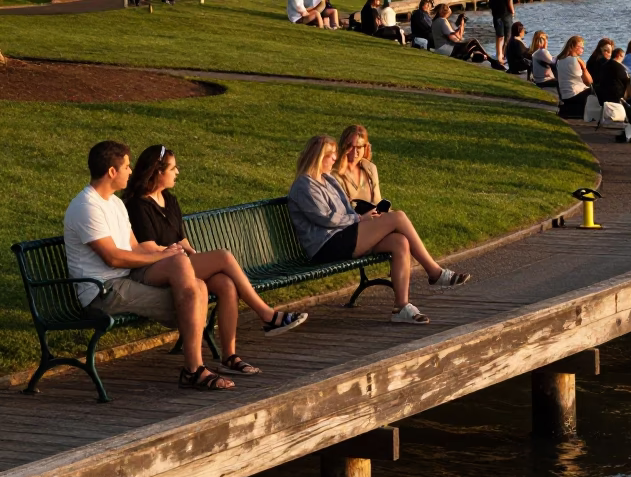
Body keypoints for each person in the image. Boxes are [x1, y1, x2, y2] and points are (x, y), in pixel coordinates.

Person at [62, 142, 303, 395]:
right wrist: (163, 256)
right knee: (192, 298)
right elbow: (114, 258)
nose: (130, 171)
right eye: (125, 166)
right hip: (103, 291)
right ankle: (194, 369)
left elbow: (133, 247)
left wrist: (167, 254)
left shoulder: (114, 204)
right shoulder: (87, 207)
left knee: (198, 287)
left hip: (127, 280)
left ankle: (195, 369)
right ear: (112, 172)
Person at [124, 145, 307, 379]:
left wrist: (193, 253)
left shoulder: (169, 199)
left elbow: (182, 239)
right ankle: (267, 315)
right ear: (158, 172)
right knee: (223, 256)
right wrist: (180, 253)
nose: (177, 172)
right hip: (157, 268)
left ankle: (229, 356)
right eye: (173, 168)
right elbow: (147, 248)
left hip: (179, 261)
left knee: (225, 283)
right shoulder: (138, 205)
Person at [288, 136, 471, 325]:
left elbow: (345, 211)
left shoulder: (328, 180)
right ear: (317, 157)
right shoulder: (304, 185)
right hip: (326, 245)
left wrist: (367, 216)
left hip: (344, 236)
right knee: (398, 217)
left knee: (400, 242)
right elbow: (326, 219)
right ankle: (435, 272)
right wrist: (359, 219)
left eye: (335, 154)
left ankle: (401, 307)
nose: (335, 158)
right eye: (330, 155)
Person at [333, 124, 383, 209]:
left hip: (375, 216)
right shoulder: (334, 172)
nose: (354, 152)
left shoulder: (370, 168)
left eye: (359, 147)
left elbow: (378, 200)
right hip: (354, 219)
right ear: (343, 146)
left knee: (399, 215)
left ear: (365, 147)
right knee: (399, 216)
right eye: (350, 146)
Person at [554, 35, 593, 117]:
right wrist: (584, 68)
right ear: (573, 47)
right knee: (597, 90)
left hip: (564, 95)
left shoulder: (560, 60)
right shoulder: (574, 61)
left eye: (583, 46)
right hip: (574, 94)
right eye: (580, 47)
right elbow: (589, 82)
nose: (583, 49)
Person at [488, 0, 514, 65]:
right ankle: (504, 54)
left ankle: (499, 56)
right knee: (508, 36)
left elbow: (490, 4)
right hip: (506, 16)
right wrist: (513, 13)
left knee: (499, 37)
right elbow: (510, 5)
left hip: (497, 16)